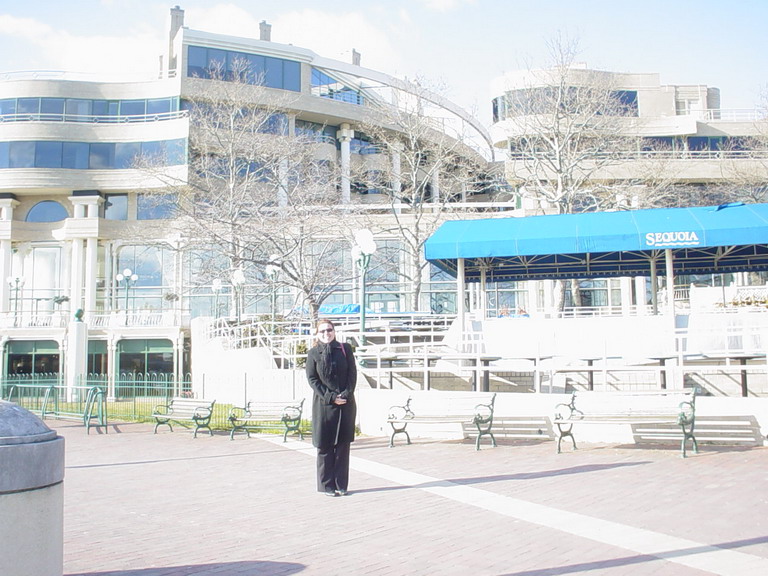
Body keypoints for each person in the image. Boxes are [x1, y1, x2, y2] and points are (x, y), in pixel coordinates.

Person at [305, 320, 357, 497]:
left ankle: (341, 485)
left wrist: (345, 394)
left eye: (329, 330)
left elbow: (352, 374)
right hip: (324, 405)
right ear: (317, 334)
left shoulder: (345, 349)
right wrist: (331, 397)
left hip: (345, 405)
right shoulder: (313, 353)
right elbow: (313, 380)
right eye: (322, 331)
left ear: (334, 331)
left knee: (343, 447)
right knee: (325, 446)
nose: (326, 333)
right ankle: (326, 485)